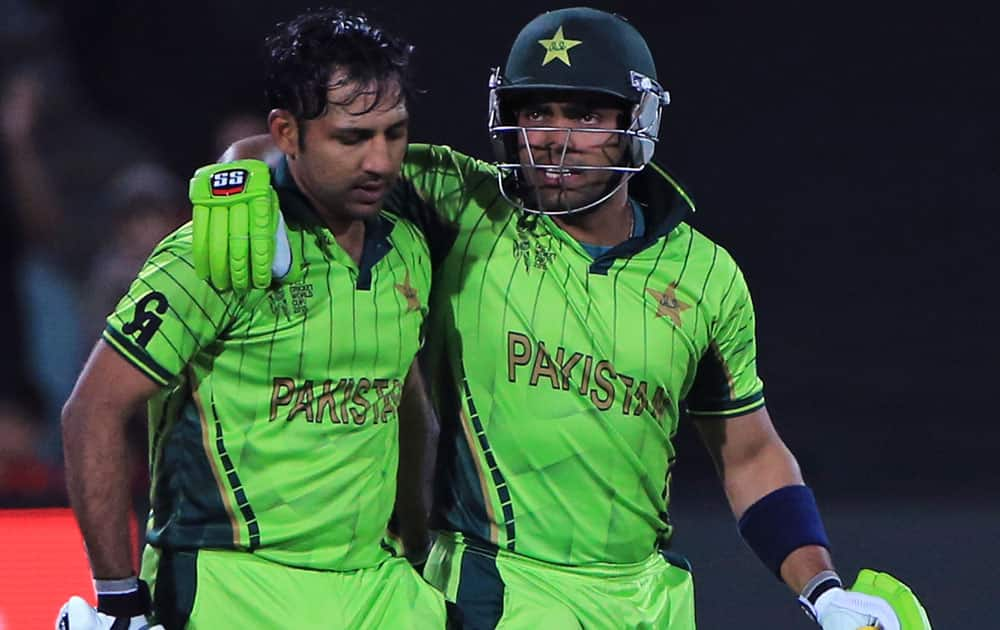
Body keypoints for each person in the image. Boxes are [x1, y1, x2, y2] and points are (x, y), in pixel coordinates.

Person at [191, 7, 930, 629]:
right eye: (534, 110)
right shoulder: (463, 205)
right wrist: (236, 175)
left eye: (583, 112)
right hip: (490, 590)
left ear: (633, 123)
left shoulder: (707, 276)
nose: (553, 135)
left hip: (648, 599)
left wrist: (822, 590)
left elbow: (749, 455)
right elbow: (312, 150)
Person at [57, 8, 446, 629]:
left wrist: (421, 548)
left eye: (394, 134)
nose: (380, 160)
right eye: (352, 138)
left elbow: (406, 406)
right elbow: (91, 411)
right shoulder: (217, 248)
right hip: (230, 586)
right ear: (287, 134)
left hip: (378, 589)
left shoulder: (407, 245)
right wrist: (120, 599)